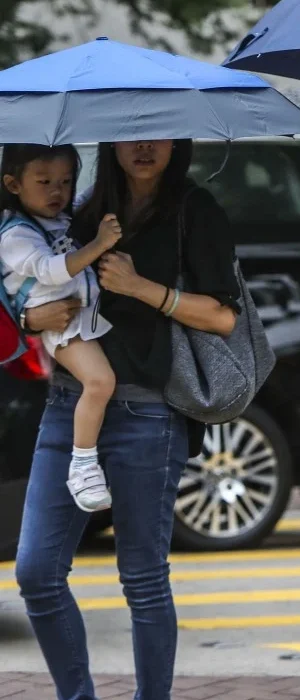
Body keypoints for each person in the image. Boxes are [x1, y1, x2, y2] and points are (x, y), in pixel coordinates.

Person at [15, 139, 241, 700]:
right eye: (131, 134)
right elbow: (31, 277)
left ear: (178, 141)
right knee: (37, 573)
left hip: (148, 412)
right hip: (69, 405)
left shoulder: (195, 209)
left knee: (142, 580)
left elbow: (223, 317)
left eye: (158, 132)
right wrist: (27, 314)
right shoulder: (83, 207)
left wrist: (142, 289)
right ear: (111, 142)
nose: (144, 146)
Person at [0, 143, 122, 512]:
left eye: (66, 181)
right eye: (45, 181)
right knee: (100, 382)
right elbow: (52, 270)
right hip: (59, 325)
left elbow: (86, 200)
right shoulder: (15, 234)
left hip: (79, 316)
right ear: (13, 184)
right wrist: (100, 244)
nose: (58, 191)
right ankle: (83, 466)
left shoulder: (58, 219)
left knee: (104, 384)